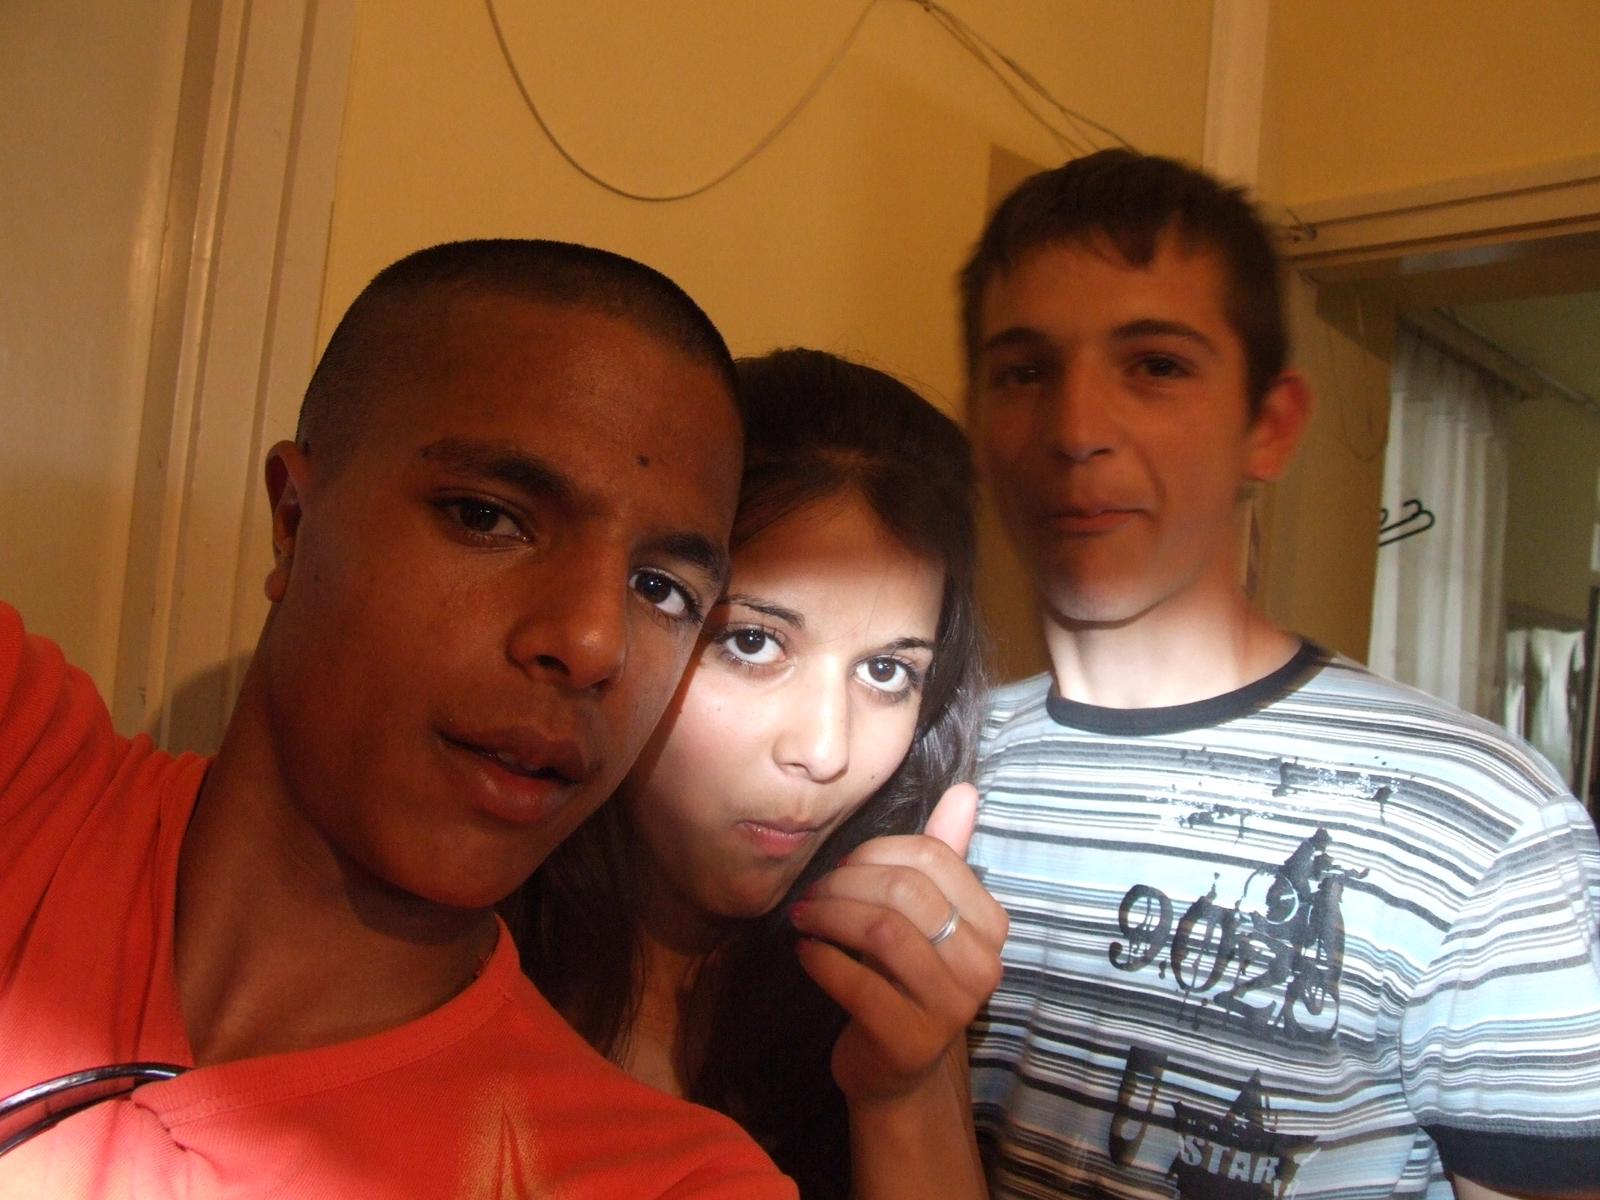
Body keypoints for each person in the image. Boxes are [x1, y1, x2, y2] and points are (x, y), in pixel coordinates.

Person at [0, 239, 797, 1197]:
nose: (593, 643)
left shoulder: (665, 1184)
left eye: (661, 589)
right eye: (486, 517)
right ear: (294, 521)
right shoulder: (23, 771)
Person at [958, 150, 1600, 1200]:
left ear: (1270, 425)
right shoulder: (931, 762)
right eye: (1024, 372)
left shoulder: (1487, 822)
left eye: (1155, 365)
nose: (1075, 432)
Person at [504, 347, 1007, 1199]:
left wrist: (904, 1091)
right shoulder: (453, 947)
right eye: (751, 642)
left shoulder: (881, 982)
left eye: (887, 672)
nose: (826, 751)